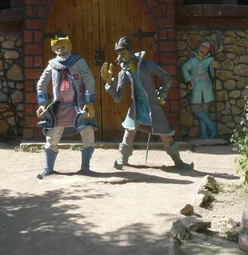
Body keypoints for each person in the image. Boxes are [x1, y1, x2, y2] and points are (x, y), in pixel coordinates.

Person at [101, 37, 194, 170]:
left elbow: (167, 78)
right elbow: (117, 97)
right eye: (119, 54)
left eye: (123, 53)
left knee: (165, 134)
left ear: (130, 51)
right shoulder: (123, 73)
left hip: (153, 106)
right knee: (129, 132)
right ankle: (122, 160)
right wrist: (110, 82)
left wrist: (161, 94)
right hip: (136, 108)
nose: (120, 57)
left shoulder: (147, 65)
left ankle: (178, 162)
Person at [36, 35, 97, 179]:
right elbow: (42, 83)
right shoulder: (52, 64)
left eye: (62, 47)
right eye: (56, 48)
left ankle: (85, 167)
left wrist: (89, 102)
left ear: (69, 46)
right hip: (59, 108)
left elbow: (89, 80)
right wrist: (42, 103)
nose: (60, 50)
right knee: (52, 138)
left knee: (88, 135)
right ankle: (48, 167)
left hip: (79, 106)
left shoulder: (79, 62)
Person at [181, 41, 218, 138]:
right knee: (195, 108)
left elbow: (213, 75)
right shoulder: (192, 60)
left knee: (205, 112)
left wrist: (215, 68)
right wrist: (189, 80)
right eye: (202, 47)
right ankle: (212, 126)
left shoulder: (210, 60)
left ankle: (204, 134)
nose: (203, 49)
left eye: (205, 49)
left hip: (207, 87)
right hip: (196, 86)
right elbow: (184, 68)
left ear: (208, 51)